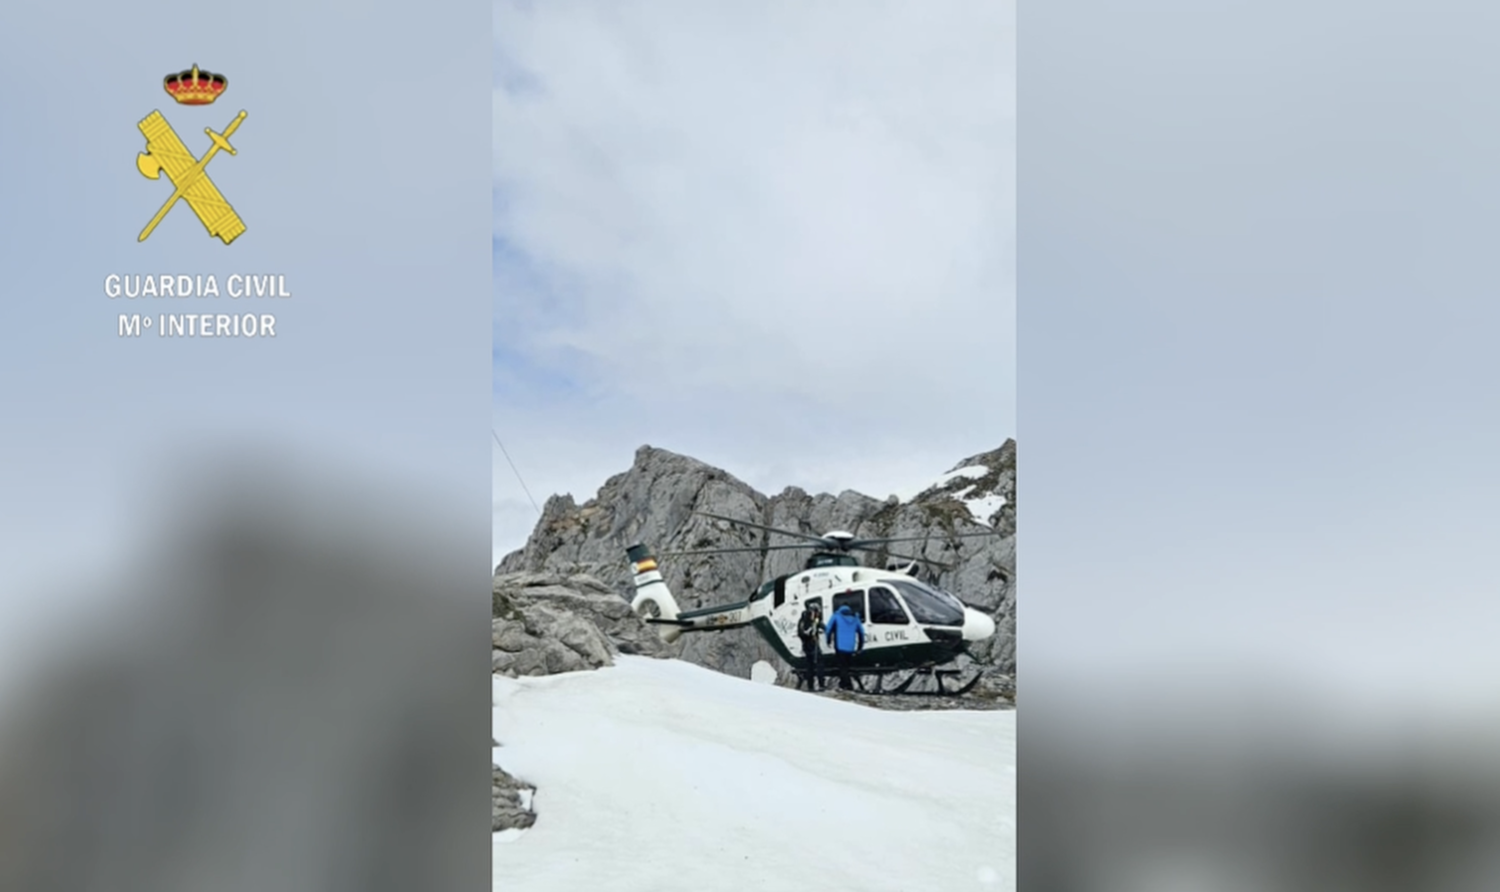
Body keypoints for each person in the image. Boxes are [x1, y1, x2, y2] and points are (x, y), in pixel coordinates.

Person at [824, 602, 866, 691]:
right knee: (847, 666)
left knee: (842, 667)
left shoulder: (836, 616)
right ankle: (843, 684)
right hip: (850, 647)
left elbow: (828, 629)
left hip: (839, 646)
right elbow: (861, 633)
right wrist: (860, 647)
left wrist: (828, 641)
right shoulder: (855, 618)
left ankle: (847, 686)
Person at [795, 602, 824, 690]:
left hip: (807, 644)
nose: (818, 614)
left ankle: (811, 685)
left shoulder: (805, 619)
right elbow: (806, 631)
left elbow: (819, 625)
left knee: (810, 665)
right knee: (818, 663)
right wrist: (812, 635)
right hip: (810, 643)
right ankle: (820, 684)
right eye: (817, 612)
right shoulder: (808, 619)